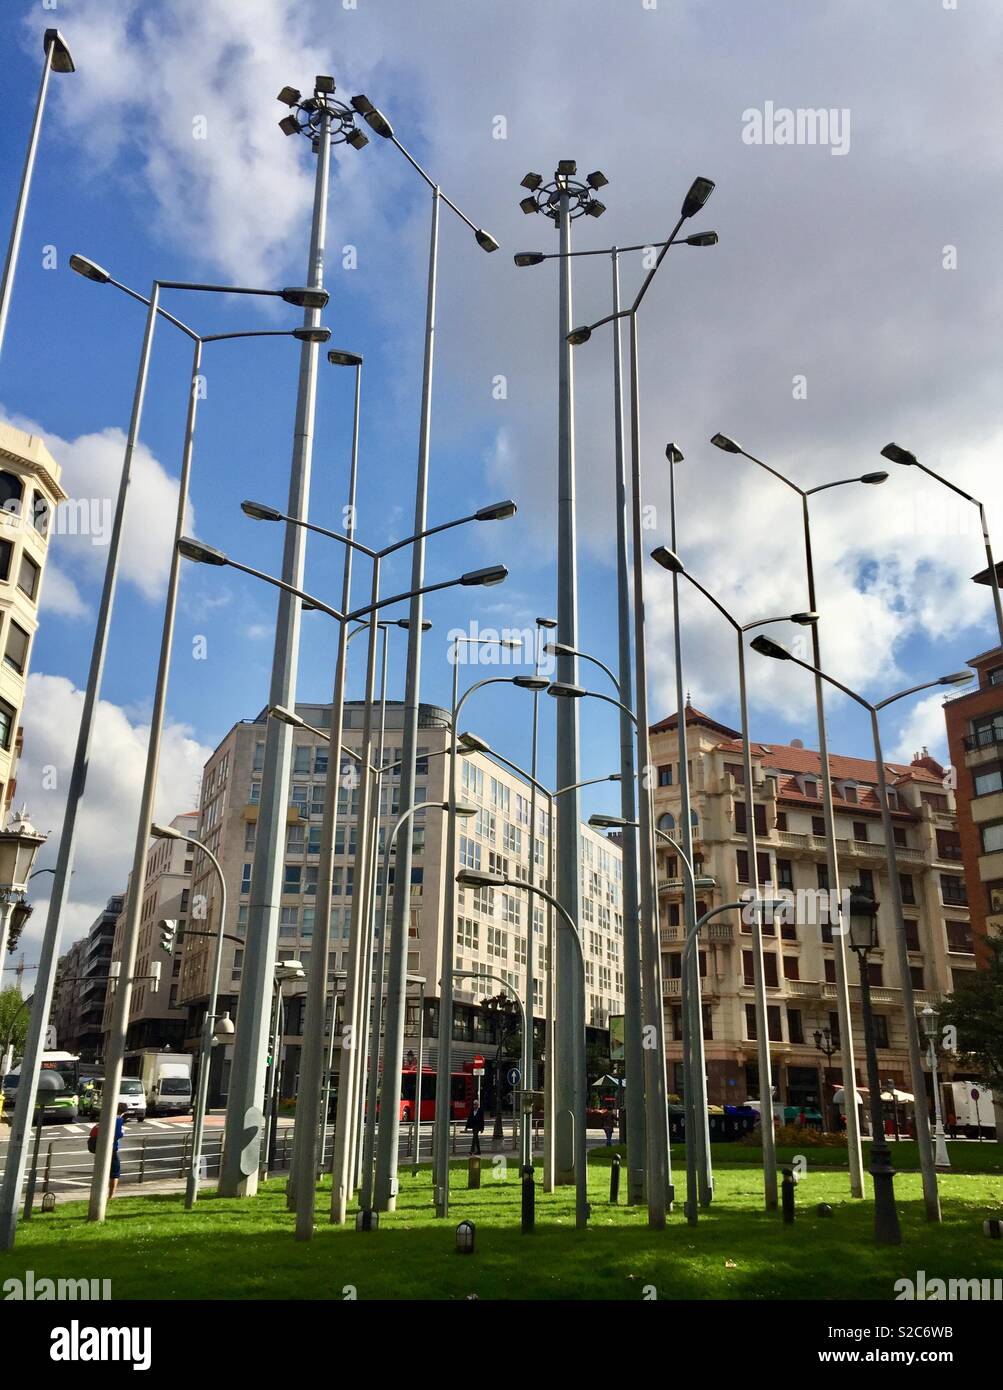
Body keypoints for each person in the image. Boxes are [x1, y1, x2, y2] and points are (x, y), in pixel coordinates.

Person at [108, 1103, 127, 1200]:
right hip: (112, 1148)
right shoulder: (119, 1120)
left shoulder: (107, 1117)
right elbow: (119, 1134)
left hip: (101, 1148)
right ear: (124, 1112)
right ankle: (111, 1196)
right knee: (115, 1173)